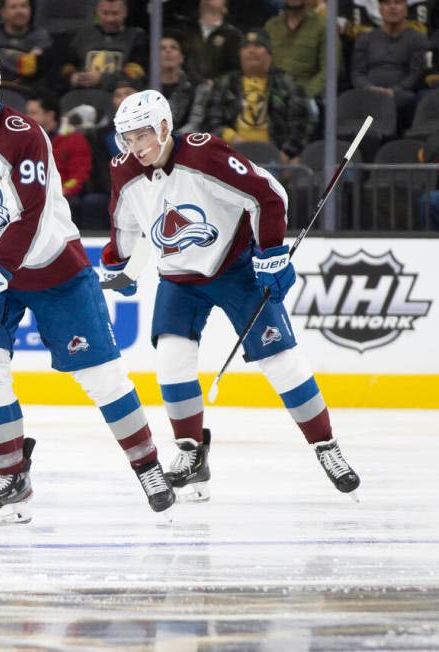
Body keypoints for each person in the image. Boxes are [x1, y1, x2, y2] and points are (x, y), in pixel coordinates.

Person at [0, 44, 175, 526]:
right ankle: (12, 476)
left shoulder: (23, 134)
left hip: (53, 268)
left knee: (102, 377)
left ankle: (148, 468)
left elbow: (32, 215)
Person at [105, 89, 361, 502]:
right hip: (177, 278)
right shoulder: (124, 170)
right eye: (128, 139)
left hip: (234, 268)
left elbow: (268, 194)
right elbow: (123, 219)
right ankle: (191, 454)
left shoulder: (204, 155)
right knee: (171, 361)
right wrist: (119, 263)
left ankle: (326, 446)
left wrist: (272, 254)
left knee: (280, 361)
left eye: (143, 135)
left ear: (165, 127)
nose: (136, 148)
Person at [204, 29, 311, 165]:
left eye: (258, 46)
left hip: (277, 157)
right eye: (246, 47)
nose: (251, 51)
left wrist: (287, 153)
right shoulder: (225, 83)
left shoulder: (287, 83)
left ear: (269, 54)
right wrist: (233, 138)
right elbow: (211, 120)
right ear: (240, 55)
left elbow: (300, 123)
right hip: (232, 154)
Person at [351, 0, 428, 132]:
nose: (392, 7)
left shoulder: (418, 39)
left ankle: (393, 144)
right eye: (387, 3)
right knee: (350, 102)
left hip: (401, 96)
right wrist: (369, 88)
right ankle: (353, 149)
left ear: (406, 10)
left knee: (398, 102)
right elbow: (357, 72)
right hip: (368, 92)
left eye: (398, 3)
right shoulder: (366, 39)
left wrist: (394, 91)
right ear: (380, 10)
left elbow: (416, 73)